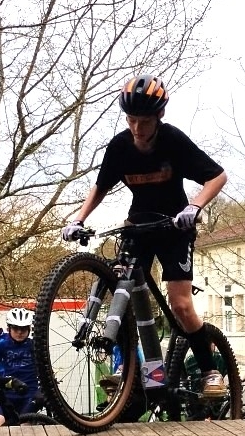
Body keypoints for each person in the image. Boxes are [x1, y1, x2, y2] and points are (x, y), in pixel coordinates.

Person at [61, 73, 228, 397]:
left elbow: (217, 176)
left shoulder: (173, 141)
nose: (137, 128)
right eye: (131, 120)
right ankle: (131, 368)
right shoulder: (120, 147)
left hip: (174, 227)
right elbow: (100, 186)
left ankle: (210, 370)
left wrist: (194, 206)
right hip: (137, 226)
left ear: (159, 115)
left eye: (145, 121)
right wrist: (78, 218)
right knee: (124, 292)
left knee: (180, 305)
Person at [0, 307, 39, 418]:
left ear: (29, 329)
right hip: (8, 395)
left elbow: (46, 372)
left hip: (30, 394)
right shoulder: (3, 345)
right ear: (9, 328)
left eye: (23, 329)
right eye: (16, 328)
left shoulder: (34, 345)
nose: (19, 332)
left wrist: (41, 391)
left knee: (23, 424)